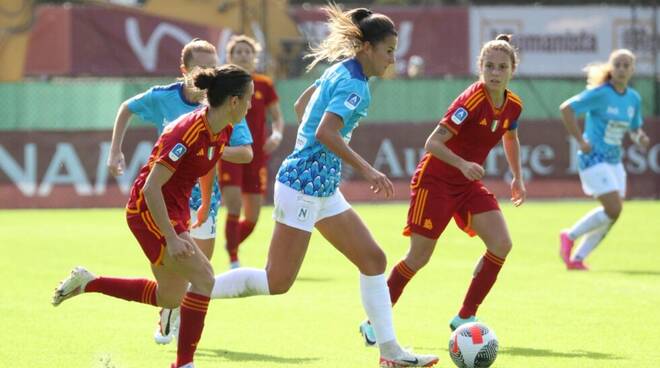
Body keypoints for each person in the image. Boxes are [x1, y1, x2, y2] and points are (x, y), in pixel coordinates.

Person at [206, 5, 438, 367]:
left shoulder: (339, 70)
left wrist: (316, 147)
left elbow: (303, 106)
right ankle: (194, 291)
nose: (393, 59)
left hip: (321, 188)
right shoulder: (355, 85)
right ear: (367, 49)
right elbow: (325, 130)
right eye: (389, 51)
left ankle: (390, 353)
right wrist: (367, 169)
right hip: (302, 187)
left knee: (373, 260)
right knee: (277, 281)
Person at [52, 65, 255, 368]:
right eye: (249, 98)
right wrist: (172, 238)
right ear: (234, 101)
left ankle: (88, 283)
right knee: (204, 278)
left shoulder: (222, 128)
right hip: (148, 210)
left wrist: (201, 205)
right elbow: (150, 188)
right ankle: (184, 364)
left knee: (170, 298)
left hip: (174, 211)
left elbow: (209, 162)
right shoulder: (186, 131)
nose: (252, 104)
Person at [360, 34, 526, 344]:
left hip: (466, 185)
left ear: (512, 70)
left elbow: (510, 137)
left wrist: (517, 176)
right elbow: (432, 143)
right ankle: (372, 323)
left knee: (501, 244)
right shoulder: (471, 101)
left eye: (502, 67)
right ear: (480, 67)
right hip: (434, 182)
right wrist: (463, 164)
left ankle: (465, 316)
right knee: (418, 258)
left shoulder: (513, 106)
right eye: (489, 66)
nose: (494, 72)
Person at [106, 39, 254, 344]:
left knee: (200, 275)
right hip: (164, 195)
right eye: (201, 66)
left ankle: (179, 322)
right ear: (184, 70)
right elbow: (126, 109)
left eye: (212, 65)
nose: (208, 72)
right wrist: (115, 151)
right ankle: (174, 325)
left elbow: (242, 154)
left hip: (201, 196)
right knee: (194, 277)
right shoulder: (169, 103)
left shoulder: (222, 111)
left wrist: (207, 154)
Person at [558, 49, 650, 270]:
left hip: (614, 161)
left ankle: (578, 258)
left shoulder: (633, 98)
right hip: (593, 158)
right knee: (614, 209)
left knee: (613, 214)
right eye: (617, 64)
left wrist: (640, 137)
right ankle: (570, 236)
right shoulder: (601, 93)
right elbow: (567, 109)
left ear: (632, 70)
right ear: (611, 67)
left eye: (626, 65)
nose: (621, 69)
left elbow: (634, 128)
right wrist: (581, 141)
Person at [220, 35, 285, 269]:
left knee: (253, 217)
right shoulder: (222, 83)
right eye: (238, 52)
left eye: (248, 51)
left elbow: (277, 118)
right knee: (234, 206)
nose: (243, 55)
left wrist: (276, 135)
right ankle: (234, 260)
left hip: (256, 156)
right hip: (229, 154)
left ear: (254, 56)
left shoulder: (264, 84)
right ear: (229, 56)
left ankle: (231, 244)